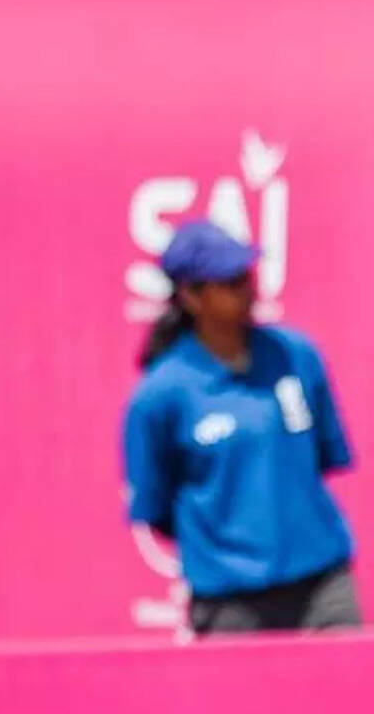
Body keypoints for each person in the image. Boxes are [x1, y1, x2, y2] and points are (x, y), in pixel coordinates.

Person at [123, 219, 361, 635]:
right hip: (231, 603)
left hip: (322, 583)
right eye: (230, 282)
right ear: (191, 296)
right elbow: (156, 507)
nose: (248, 289)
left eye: (246, 276)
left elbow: (322, 456)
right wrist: (226, 548)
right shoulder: (160, 396)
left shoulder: (296, 356)